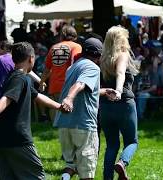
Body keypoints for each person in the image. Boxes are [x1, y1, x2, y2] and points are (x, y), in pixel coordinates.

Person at [0, 42, 62, 179]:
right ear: (31, 59)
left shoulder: (17, 77)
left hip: (0, 139)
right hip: (17, 139)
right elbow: (7, 98)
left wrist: (58, 106)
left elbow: (37, 96)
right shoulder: (20, 78)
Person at [55, 37, 111, 180]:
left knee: (71, 164)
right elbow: (80, 84)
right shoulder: (93, 67)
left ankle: (65, 178)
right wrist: (69, 98)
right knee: (87, 172)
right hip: (83, 124)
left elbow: (85, 89)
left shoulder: (72, 67)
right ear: (99, 54)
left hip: (64, 122)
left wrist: (103, 91)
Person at [99, 26, 139, 180]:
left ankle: (107, 178)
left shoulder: (102, 58)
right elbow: (121, 73)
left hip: (105, 106)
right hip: (124, 103)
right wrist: (119, 91)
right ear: (122, 39)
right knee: (132, 142)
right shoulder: (122, 54)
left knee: (112, 145)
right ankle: (123, 162)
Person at [39, 25, 82, 120]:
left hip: (54, 84)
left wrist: (42, 82)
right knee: (70, 110)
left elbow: (47, 69)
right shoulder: (77, 47)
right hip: (69, 84)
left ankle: (55, 127)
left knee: (55, 107)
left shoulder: (53, 47)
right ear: (74, 35)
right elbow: (74, 65)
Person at [0, 40, 41, 105]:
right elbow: (28, 71)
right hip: (15, 97)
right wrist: (40, 81)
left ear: (5, 48)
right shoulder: (18, 59)